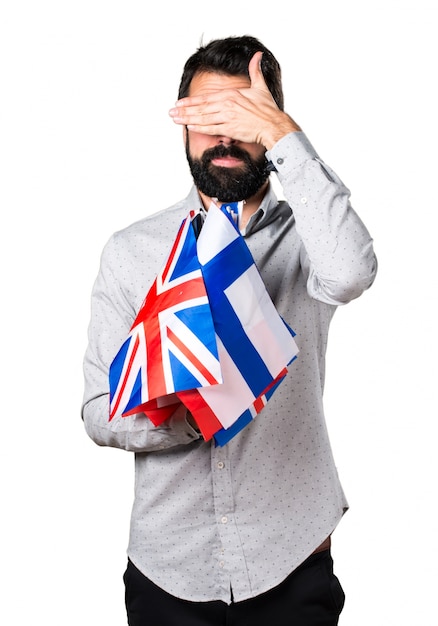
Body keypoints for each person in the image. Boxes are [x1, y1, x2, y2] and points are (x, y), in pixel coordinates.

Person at [82, 35, 377, 626]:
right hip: (170, 570)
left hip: (291, 562)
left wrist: (283, 132)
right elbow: (96, 410)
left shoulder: (308, 242)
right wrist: (190, 414)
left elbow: (350, 272)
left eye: (240, 117)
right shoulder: (132, 252)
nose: (223, 137)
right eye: (207, 118)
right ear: (183, 128)